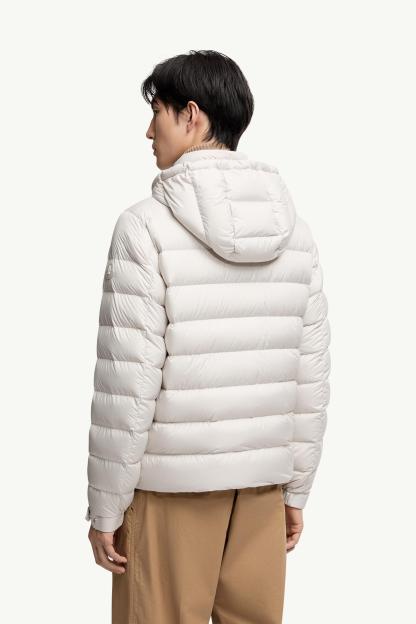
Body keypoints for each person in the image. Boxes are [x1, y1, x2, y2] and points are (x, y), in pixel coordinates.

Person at [85, 49, 331, 624]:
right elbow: (309, 374)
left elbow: (129, 382)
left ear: (191, 116)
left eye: (158, 113)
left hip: (171, 493)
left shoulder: (144, 227)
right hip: (262, 492)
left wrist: (106, 506)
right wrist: (296, 488)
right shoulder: (295, 233)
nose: (149, 131)